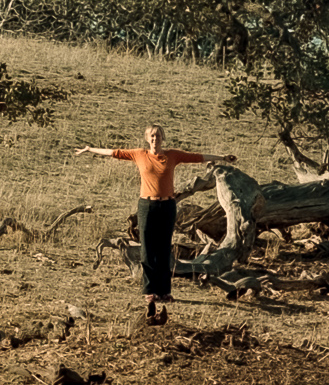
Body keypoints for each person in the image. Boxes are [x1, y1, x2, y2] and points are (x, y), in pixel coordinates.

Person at [76, 123, 224, 323]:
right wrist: (89, 149)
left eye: (158, 136)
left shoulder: (172, 155)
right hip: (147, 206)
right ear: (147, 139)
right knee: (147, 249)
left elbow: (196, 157)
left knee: (164, 249)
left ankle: (164, 291)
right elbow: (114, 152)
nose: (155, 139)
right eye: (152, 136)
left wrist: (221, 158)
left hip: (168, 206)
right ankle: (150, 290)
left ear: (163, 138)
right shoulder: (139, 154)